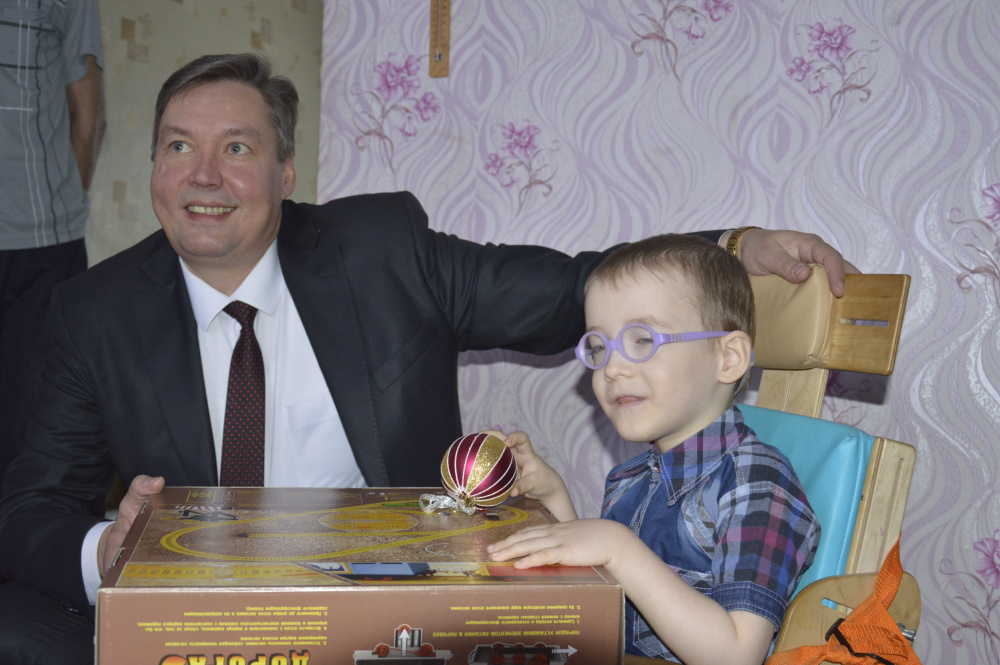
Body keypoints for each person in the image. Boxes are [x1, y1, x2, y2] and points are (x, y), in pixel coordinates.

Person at [0, 53, 842, 664]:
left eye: (239, 149)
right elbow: (31, 507)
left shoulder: (382, 250)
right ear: (154, 165)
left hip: (393, 613)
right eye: (179, 146)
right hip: (209, 627)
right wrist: (108, 547)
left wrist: (732, 246)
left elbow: (570, 288)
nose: (204, 175)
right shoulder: (91, 310)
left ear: (287, 171)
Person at [487, 234, 821, 664]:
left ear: (728, 357)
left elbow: (737, 654)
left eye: (642, 340)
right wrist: (553, 497)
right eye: (598, 347)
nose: (612, 367)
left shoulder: (757, 484)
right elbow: (599, 595)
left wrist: (618, 545)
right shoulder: (630, 479)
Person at [0, 0, 105, 480]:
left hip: (41, 247)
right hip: (42, 242)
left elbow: (88, 116)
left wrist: (59, 210)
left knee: (38, 439)